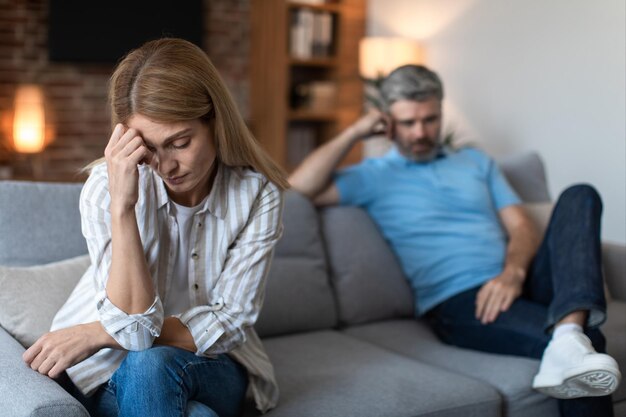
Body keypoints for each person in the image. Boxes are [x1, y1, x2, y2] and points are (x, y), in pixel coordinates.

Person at [288, 64, 621, 417]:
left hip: (516, 279)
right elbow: (297, 189)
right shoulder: (372, 176)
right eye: (408, 122)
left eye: (430, 119)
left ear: (441, 112)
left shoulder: (475, 162)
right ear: (387, 122)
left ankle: (567, 334)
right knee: (589, 350)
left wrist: (512, 272)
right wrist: (354, 131)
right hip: (463, 302)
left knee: (580, 195)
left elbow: (521, 226)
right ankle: (572, 337)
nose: (420, 132)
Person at [22, 38, 288, 417]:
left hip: (208, 362)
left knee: (150, 361)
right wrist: (123, 207)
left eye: (179, 143)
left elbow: (229, 322)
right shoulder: (106, 189)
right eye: (148, 148)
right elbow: (132, 330)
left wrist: (97, 332)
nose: (166, 166)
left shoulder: (257, 194)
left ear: (215, 121)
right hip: (106, 371)